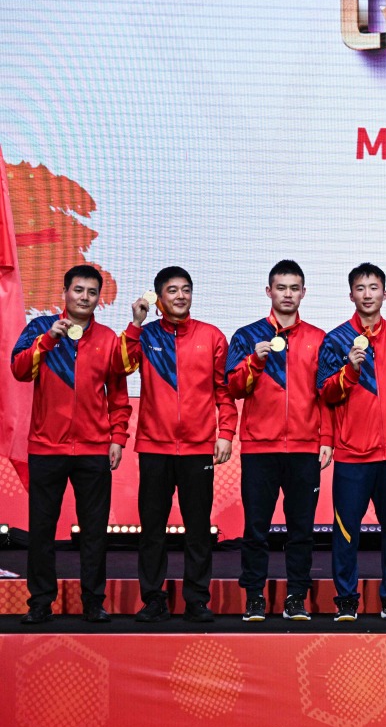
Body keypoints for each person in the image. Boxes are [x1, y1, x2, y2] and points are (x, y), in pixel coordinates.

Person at [10, 265, 131, 624]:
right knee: (42, 530)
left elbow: (119, 396)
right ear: (65, 292)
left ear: (98, 299)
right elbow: (18, 370)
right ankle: (40, 602)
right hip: (46, 448)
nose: (84, 298)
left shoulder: (109, 339)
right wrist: (48, 339)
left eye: (92, 293)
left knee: (94, 532)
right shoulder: (39, 329)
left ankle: (94, 601)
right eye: (78, 290)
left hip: (94, 450)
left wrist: (118, 437)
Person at [119, 266, 236, 623]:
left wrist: (226, 434)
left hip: (199, 447)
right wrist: (135, 324)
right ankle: (153, 598)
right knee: (151, 529)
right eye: (172, 290)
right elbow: (122, 366)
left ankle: (197, 599)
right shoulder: (146, 335)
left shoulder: (212, 336)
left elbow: (224, 391)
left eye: (186, 289)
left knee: (198, 528)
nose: (181, 296)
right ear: (158, 298)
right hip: (154, 447)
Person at [227, 260, 332, 622]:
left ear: (303, 292)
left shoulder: (319, 339)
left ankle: (296, 597)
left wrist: (327, 438)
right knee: (256, 528)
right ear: (268, 291)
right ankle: (255, 596)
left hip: (304, 448)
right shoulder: (246, 335)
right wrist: (254, 362)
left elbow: (326, 394)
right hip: (260, 448)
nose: (287, 294)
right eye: (280, 288)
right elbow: (233, 388)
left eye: (294, 288)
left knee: (301, 530)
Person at [316, 263, 386, 622]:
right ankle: (346, 599)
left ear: (385, 294)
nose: (368, 294)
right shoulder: (336, 339)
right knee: (346, 531)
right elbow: (325, 393)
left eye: (374, 288)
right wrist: (350, 371)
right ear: (351, 295)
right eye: (361, 288)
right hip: (352, 454)